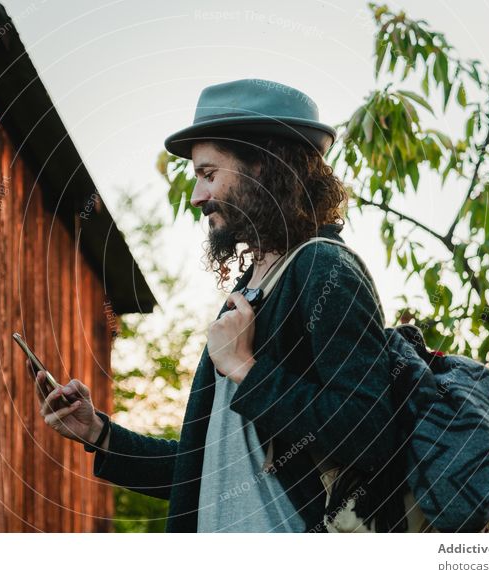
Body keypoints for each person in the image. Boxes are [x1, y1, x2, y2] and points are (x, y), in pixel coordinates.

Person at [29, 78, 399, 533]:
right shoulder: (252, 288)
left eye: (208, 174)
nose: (197, 196)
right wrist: (97, 433)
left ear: (261, 166)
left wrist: (246, 368)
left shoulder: (325, 268)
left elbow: (371, 435)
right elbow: (205, 470)